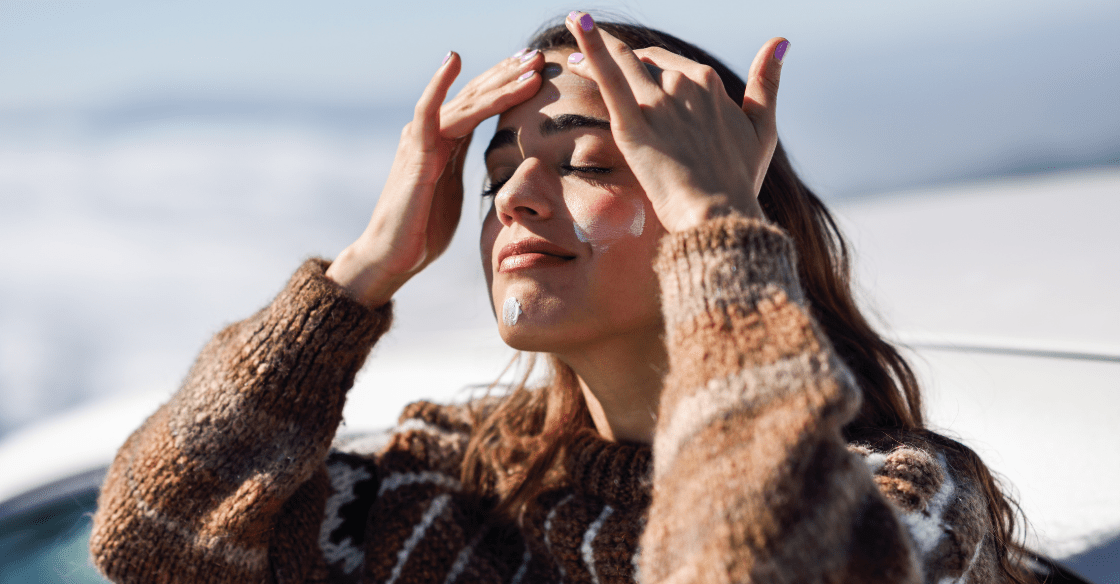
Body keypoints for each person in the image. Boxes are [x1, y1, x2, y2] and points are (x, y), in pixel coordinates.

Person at [89, 12, 1035, 584]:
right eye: (499, 177)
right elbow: (150, 541)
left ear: (725, 217)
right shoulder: (446, 486)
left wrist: (717, 224)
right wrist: (363, 271)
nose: (519, 200)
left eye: (583, 161)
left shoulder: (906, 502)